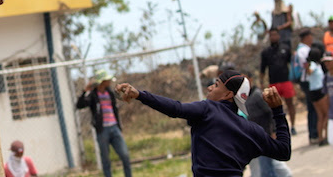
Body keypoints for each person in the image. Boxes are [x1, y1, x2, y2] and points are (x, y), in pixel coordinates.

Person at [115, 70, 291, 177]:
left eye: (216, 85)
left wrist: (140, 95)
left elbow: (175, 108)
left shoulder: (208, 109)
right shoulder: (252, 130)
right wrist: (278, 111)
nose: (210, 88)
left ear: (228, 94)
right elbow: (284, 151)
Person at [76, 69, 132, 177]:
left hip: (114, 127)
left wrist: (119, 126)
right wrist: (84, 91)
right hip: (102, 131)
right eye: (107, 80)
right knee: (105, 159)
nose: (109, 81)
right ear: (102, 81)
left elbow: (115, 109)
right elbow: (79, 105)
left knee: (125, 155)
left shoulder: (110, 93)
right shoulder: (93, 95)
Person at [245, 71, 292, 177]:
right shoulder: (244, 98)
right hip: (255, 140)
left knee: (267, 170)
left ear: (250, 79)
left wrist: (274, 131)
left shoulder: (257, 95)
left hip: (265, 136)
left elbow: (271, 113)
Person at [260, 28, 296, 135]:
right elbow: (262, 69)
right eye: (271, 35)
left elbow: (292, 64)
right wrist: (261, 82)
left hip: (285, 81)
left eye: (275, 34)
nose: (273, 37)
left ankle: (293, 126)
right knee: (275, 106)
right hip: (273, 83)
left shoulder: (286, 48)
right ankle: (279, 128)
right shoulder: (266, 52)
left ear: (279, 36)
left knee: (290, 104)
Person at [294, 29, 319, 144]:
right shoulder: (303, 51)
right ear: (306, 37)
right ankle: (313, 133)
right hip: (308, 81)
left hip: (310, 80)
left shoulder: (304, 49)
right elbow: (306, 66)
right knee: (313, 107)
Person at [306, 48, 329, 146]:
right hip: (319, 91)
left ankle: (320, 137)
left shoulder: (314, 64)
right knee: (327, 114)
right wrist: (308, 67)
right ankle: (326, 136)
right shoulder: (313, 64)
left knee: (320, 116)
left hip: (313, 91)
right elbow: (310, 71)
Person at [322, 52, 333, 146]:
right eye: (325, 62)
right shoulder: (326, 78)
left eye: (329, 61)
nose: (327, 64)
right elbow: (327, 97)